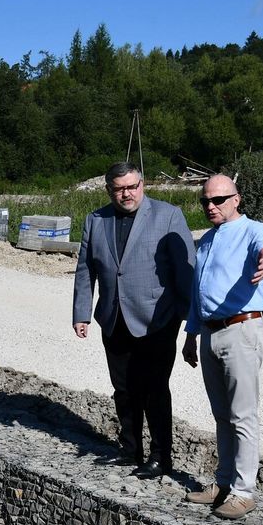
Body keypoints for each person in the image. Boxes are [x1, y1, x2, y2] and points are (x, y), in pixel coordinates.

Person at [72, 162, 196, 477]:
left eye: (132, 187)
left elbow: (185, 270)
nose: (126, 194)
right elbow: (86, 270)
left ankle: (160, 456)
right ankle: (129, 449)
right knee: (123, 388)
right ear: (109, 190)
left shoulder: (168, 216)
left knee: (155, 388)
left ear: (142, 184)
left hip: (157, 319)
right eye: (119, 189)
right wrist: (81, 313)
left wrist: (189, 320)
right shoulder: (95, 220)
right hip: (114, 318)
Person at [181, 174, 263, 520]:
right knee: (222, 414)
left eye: (218, 200)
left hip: (241, 328)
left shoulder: (253, 230)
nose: (211, 206)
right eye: (205, 201)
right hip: (211, 333)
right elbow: (198, 292)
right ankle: (223, 483)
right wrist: (191, 335)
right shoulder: (207, 240)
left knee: (243, 414)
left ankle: (243, 491)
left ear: (236, 199)